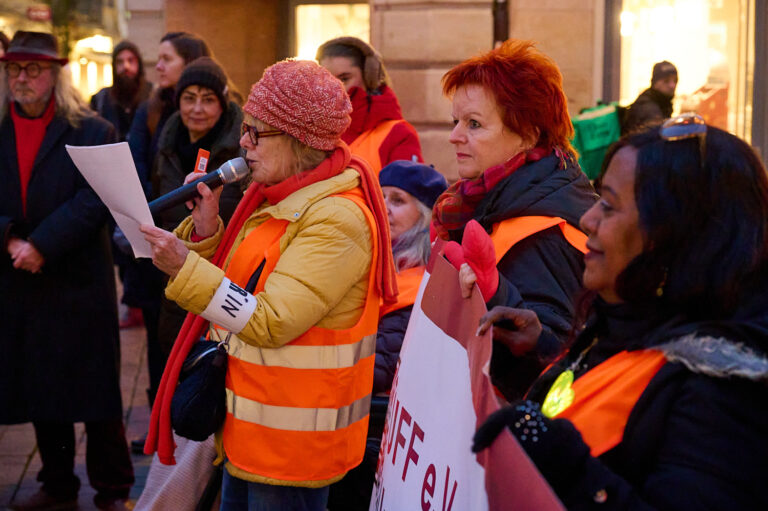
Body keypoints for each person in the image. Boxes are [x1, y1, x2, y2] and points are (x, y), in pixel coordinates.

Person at [472, 114, 768, 510]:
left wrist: (563, 461)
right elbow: (590, 407)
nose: (589, 219)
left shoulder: (724, 390)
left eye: (609, 206)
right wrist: (534, 353)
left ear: (671, 237)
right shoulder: (627, 323)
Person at [140, 59, 397, 511]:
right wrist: (204, 232)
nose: (243, 142)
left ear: (299, 141)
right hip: (251, 430)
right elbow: (235, 289)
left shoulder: (336, 218)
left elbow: (268, 320)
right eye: (245, 128)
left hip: (293, 449)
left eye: (257, 132)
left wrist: (184, 267)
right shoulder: (280, 197)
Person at [0, 31, 134, 511]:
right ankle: (58, 487)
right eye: (14, 68)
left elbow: (98, 198)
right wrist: (11, 238)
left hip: (79, 281)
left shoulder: (93, 130)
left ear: (55, 75)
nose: (22, 78)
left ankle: (113, 489)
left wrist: (42, 243)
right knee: (42, 388)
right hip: (21, 280)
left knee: (96, 395)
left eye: (33, 69)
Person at [434, 39, 596, 402]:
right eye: (455, 121)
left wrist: (494, 295)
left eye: (474, 124)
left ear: (527, 135)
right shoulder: (494, 198)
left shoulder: (544, 228)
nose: (454, 136)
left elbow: (549, 359)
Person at [327, 159, 447, 510]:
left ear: (424, 215)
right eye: (380, 198)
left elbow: (379, 364)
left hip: (371, 431)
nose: (385, 208)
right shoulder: (367, 259)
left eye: (398, 200)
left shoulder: (420, 282)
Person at [124, 32, 211, 454]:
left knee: (192, 344)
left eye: (166, 59)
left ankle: (186, 426)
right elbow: (140, 168)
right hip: (155, 244)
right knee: (159, 341)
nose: (157, 67)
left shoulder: (222, 117)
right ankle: (162, 423)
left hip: (197, 253)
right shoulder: (154, 110)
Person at [317, 36, 423, 173]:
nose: (334, 88)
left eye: (344, 79)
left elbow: (405, 193)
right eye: (326, 79)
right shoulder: (308, 131)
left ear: (369, 78)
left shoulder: (399, 134)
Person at [90, 40, 152, 142]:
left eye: (131, 60)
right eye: (120, 62)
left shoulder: (153, 95)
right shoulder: (100, 99)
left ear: (139, 64)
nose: (126, 66)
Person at [621, 60, 678, 135]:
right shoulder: (647, 108)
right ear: (655, 83)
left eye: (675, 80)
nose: (672, 85)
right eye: (666, 81)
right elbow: (657, 138)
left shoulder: (660, 104)